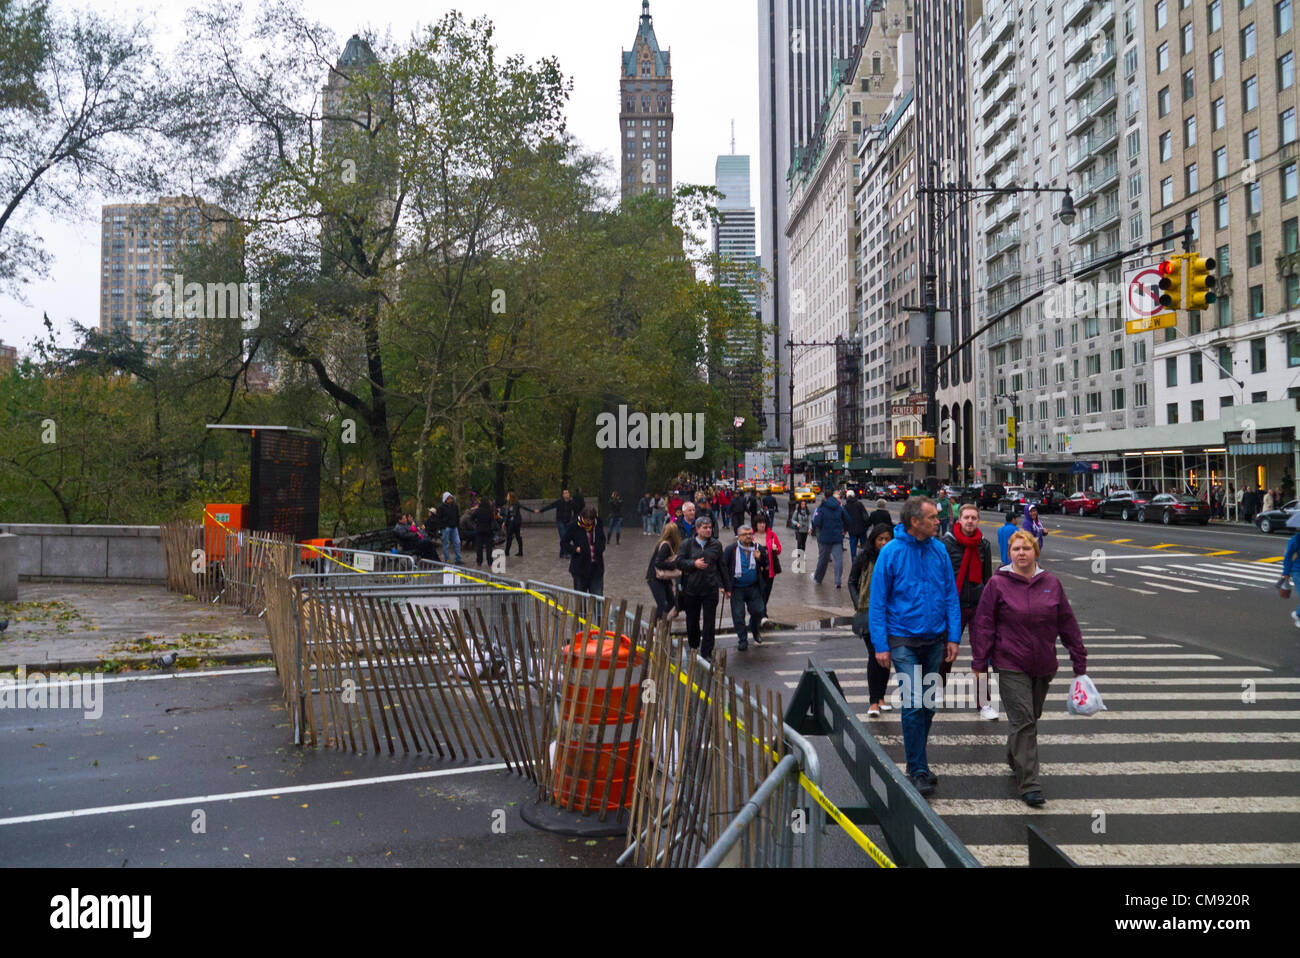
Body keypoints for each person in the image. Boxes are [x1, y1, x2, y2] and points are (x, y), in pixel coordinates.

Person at [971, 530, 1087, 808]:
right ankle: (1030, 784)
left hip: (1044, 664)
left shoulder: (1051, 583)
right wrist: (980, 664)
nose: (1021, 553)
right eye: (1015, 549)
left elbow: (1067, 623)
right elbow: (984, 624)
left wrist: (1078, 661)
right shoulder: (997, 584)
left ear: (1036, 551)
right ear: (1009, 554)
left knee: (1030, 717)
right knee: (1024, 721)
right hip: (1009, 662)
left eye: (1026, 548)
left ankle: (1014, 755)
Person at [867, 497, 962, 797]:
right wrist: (881, 645)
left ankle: (917, 761)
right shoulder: (891, 553)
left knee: (928, 704)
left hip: (935, 638)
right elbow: (878, 602)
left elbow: (950, 595)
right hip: (903, 639)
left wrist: (954, 637)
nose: (939, 521)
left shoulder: (939, 550)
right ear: (915, 522)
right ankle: (918, 768)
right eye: (933, 517)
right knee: (912, 702)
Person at [942, 503, 998, 720]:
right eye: (966, 517)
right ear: (959, 519)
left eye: (974, 517)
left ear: (978, 520)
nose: (970, 521)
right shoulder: (946, 544)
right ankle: (939, 687)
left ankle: (983, 703)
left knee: (981, 656)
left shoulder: (983, 544)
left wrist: (989, 604)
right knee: (946, 654)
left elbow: (987, 578)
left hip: (977, 607)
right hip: (952, 607)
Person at [848, 522, 895, 718]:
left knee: (885, 658)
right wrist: (858, 602)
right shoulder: (864, 557)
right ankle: (873, 701)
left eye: (887, 539)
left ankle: (881, 697)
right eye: (880, 539)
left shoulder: (894, 557)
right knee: (875, 655)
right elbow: (852, 581)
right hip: (868, 613)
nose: (884, 543)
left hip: (890, 614)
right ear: (873, 541)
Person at [674, 515, 724, 660]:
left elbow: (722, 567)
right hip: (692, 589)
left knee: (709, 622)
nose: (709, 530)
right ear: (697, 529)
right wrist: (693, 564)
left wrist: (727, 587)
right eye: (705, 528)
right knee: (692, 620)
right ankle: (694, 646)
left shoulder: (716, 545)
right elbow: (679, 562)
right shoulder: (687, 544)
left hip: (710, 589)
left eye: (710, 527)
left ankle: (707, 651)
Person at [721, 524, 769, 651]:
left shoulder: (758, 547)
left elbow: (766, 563)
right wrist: (723, 586)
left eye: (750, 534)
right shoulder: (731, 549)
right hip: (736, 588)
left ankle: (755, 630)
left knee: (758, 611)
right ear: (739, 536)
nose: (748, 536)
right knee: (738, 615)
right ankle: (742, 639)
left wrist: (760, 558)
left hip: (754, 587)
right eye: (745, 534)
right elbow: (723, 568)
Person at [564, 505, 606, 595]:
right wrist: (575, 549)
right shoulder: (574, 526)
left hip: (596, 567)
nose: (589, 523)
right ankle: (582, 610)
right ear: (583, 517)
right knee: (581, 598)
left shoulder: (598, 523)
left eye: (591, 520)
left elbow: (602, 538)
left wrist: (600, 547)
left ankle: (596, 610)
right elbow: (564, 543)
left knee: (597, 596)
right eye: (587, 520)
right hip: (580, 568)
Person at [647, 522, 683, 621]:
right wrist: (673, 565)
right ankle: (655, 627)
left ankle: (662, 621)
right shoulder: (666, 546)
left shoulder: (667, 544)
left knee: (671, 601)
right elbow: (658, 563)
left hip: (663, 578)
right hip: (655, 578)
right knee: (662, 604)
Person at [811, 492, 849, 588]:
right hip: (837, 537)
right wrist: (844, 530)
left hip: (825, 537)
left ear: (825, 497)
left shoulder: (822, 508)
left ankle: (818, 579)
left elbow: (816, 522)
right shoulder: (839, 508)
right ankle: (837, 582)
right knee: (838, 560)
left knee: (823, 559)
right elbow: (848, 520)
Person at [753, 514, 782, 617]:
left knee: (766, 591)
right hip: (755, 570)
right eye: (759, 523)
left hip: (769, 569)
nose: (762, 525)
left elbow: (779, 549)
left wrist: (775, 548)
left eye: (764, 523)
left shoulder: (772, 535)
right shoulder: (751, 536)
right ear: (755, 524)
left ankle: (762, 611)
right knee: (758, 592)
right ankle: (762, 613)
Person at [535, 490, 578, 558]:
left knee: (565, 538)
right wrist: (540, 511)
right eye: (565, 493)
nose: (566, 494)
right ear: (563, 495)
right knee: (563, 537)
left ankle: (562, 553)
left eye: (567, 493)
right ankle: (565, 553)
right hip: (560, 522)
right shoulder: (559, 502)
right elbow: (550, 506)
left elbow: (577, 511)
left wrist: (573, 520)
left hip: (568, 522)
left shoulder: (571, 503)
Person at [1280, 522, 1300, 629]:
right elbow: (1288, 556)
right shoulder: (1295, 540)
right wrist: (1286, 572)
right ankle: (1297, 615)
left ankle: (1298, 613)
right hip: (1298, 571)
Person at [470, 495, 499, 568]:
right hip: (488, 531)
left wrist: (476, 524)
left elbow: (471, 518)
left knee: (479, 547)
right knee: (489, 548)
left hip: (479, 530)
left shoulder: (478, 510)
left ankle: (479, 562)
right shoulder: (489, 511)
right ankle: (489, 563)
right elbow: (492, 520)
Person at [843, 490, 869, 563]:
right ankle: (864, 561)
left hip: (852, 530)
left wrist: (845, 529)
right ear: (854, 496)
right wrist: (866, 525)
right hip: (862, 529)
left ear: (847, 496)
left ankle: (854, 562)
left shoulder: (846, 506)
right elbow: (865, 516)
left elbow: (844, 519)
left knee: (853, 547)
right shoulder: (859, 504)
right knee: (864, 546)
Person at [438, 492, 462, 564]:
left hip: (454, 527)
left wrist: (457, 524)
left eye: (450, 498)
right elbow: (439, 518)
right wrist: (443, 526)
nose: (450, 499)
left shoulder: (455, 506)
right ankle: (447, 559)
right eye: (449, 498)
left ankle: (458, 559)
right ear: (446, 499)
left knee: (457, 542)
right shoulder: (441, 507)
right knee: (446, 544)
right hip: (446, 528)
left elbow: (457, 516)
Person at [500, 492, 525, 557]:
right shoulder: (509, 504)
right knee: (511, 537)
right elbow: (508, 515)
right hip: (511, 523)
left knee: (515, 537)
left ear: (511, 497)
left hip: (515, 523)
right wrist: (504, 522)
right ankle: (507, 552)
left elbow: (522, 508)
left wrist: (533, 511)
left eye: (508, 496)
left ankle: (519, 552)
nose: (507, 497)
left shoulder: (516, 503)